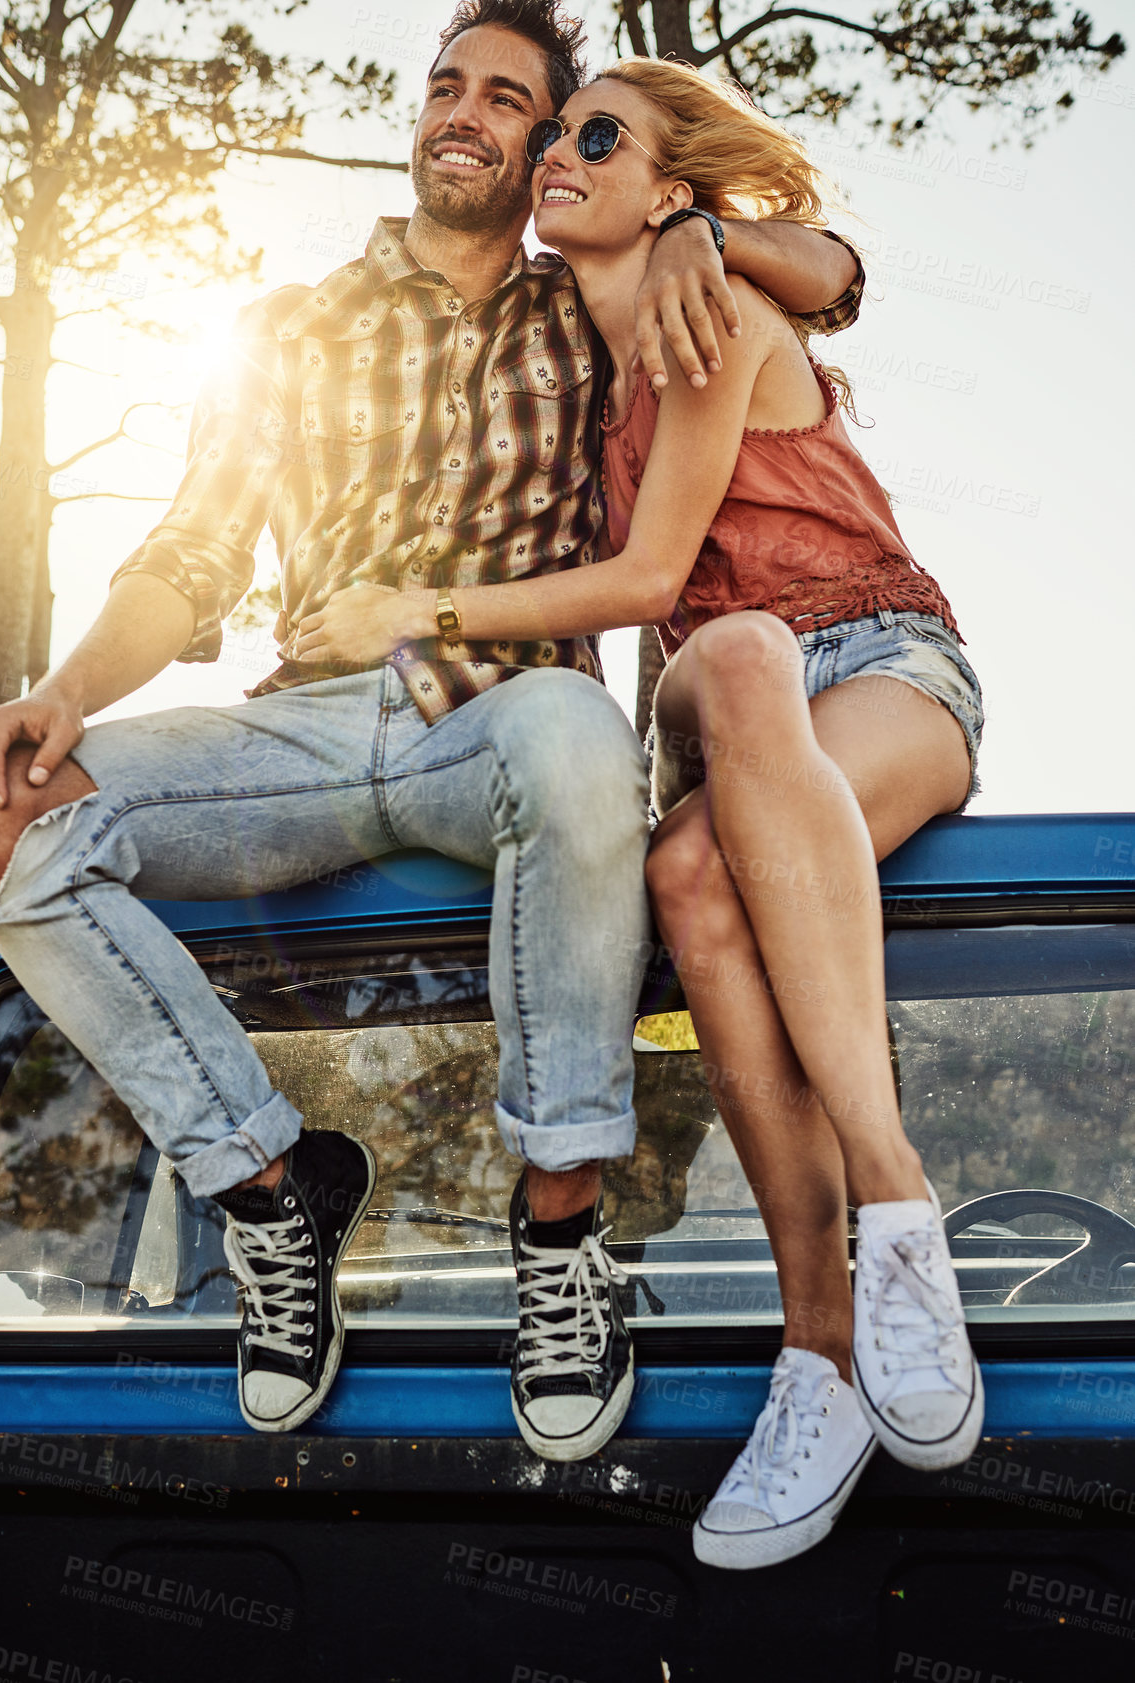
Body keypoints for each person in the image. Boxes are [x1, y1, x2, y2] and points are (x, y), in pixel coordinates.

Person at [0, 6, 861, 1455]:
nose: (466, 113)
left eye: (512, 100)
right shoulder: (288, 329)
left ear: (550, 143)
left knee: (571, 730)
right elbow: (191, 557)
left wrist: (702, 234)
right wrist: (59, 696)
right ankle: (266, 1186)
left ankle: (560, 1228)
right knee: (2, 825)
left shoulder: (599, 301)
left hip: (494, 731)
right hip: (295, 742)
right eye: (447, 86)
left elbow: (830, 274)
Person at [311, 55, 985, 1562]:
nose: (553, 148)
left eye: (592, 133)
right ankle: (875, 1240)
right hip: (723, 694)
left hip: (881, 660)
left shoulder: (724, 302)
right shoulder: (573, 358)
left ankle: (841, 1319)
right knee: (732, 660)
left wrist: (415, 609)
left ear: (670, 188)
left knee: (690, 876)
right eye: (552, 132)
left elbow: (648, 578)